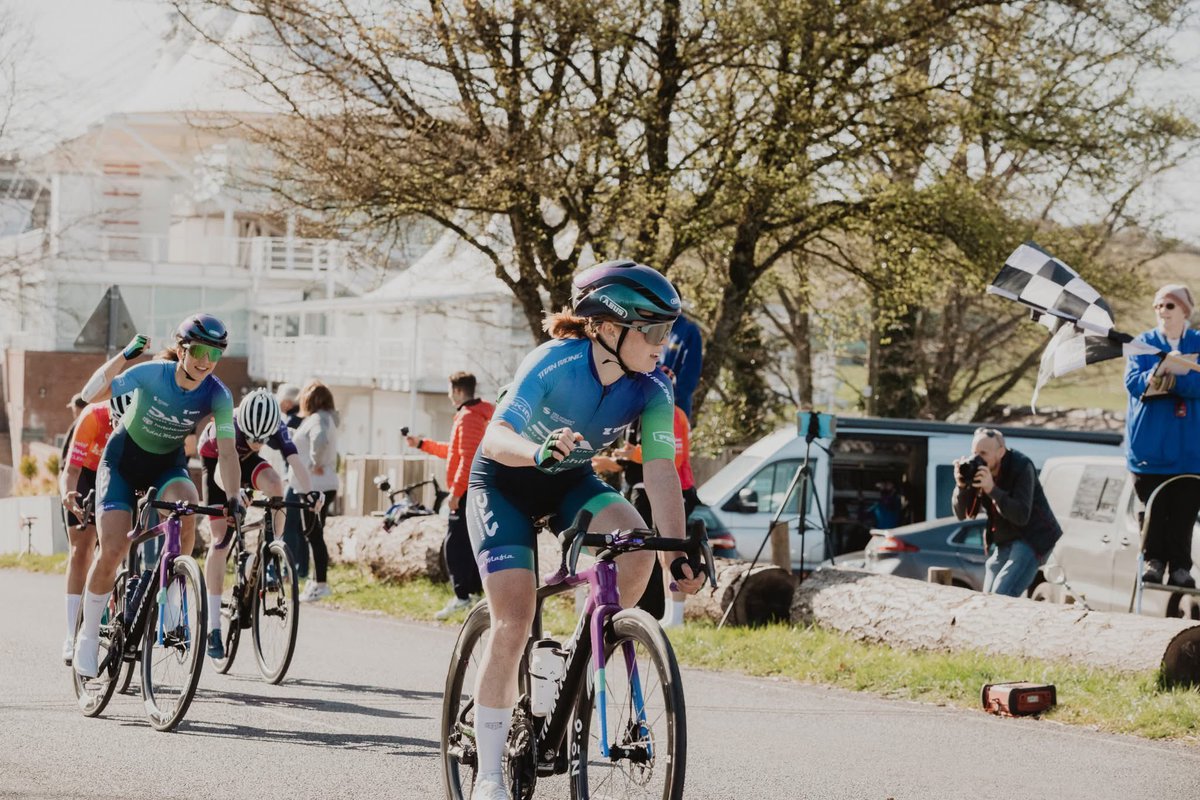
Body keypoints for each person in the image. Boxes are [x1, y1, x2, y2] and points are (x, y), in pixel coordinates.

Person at [464, 260, 704, 800]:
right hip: (503, 483)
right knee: (515, 618)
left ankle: (571, 658)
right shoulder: (553, 361)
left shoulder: (653, 390)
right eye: (654, 330)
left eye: (669, 330)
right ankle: (489, 774)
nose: (664, 343)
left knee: (636, 544)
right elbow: (496, 436)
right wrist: (537, 450)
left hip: (569, 480)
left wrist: (675, 555)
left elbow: (661, 470)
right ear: (610, 327)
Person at [72, 315, 243, 678]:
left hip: (167, 466)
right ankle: (86, 635)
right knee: (114, 549)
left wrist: (233, 497)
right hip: (121, 463)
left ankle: (174, 600)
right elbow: (90, 396)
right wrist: (124, 356)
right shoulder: (153, 373)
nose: (205, 360)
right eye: (198, 350)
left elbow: (227, 453)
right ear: (181, 348)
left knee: (187, 507)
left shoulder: (218, 393)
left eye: (215, 353)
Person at [199, 389, 323, 657]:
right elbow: (224, 466)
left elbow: (295, 461)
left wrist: (310, 491)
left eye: (262, 440)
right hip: (217, 460)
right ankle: (212, 627)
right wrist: (233, 494)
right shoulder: (227, 424)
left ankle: (271, 550)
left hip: (245, 462)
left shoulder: (276, 425)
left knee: (276, 484)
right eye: (252, 438)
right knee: (221, 540)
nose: (257, 443)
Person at [597, 364, 698, 627]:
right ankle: (664, 614)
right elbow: (634, 456)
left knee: (670, 554)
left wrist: (633, 455)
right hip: (641, 487)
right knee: (649, 553)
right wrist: (615, 462)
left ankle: (675, 617)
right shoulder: (638, 413)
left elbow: (671, 459)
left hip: (675, 490)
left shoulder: (674, 415)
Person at [1124, 283, 1200, 588]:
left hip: (1190, 450)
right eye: (1158, 306)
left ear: (1184, 310)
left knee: (1184, 512)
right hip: (1149, 448)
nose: (1162, 312)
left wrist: (1174, 382)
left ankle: (1181, 568)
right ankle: (1152, 562)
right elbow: (1133, 383)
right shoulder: (1142, 343)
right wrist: (1159, 374)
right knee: (1152, 510)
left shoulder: (1198, 341)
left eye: (1169, 306)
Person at [406, 371, 493, 619]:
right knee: (470, 543)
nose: (448, 395)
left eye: (449, 390)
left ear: (456, 390)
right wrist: (422, 444)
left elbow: (467, 460)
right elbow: (455, 451)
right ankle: (474, 593)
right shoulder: (480, 413)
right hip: (475, 489)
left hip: (466, 491)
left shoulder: (468, 418)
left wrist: (455, 492)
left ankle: (462, 596)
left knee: (454, 546)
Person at [57, 392, 133, 665]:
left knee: (116, 547)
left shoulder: (142, 424)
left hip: (121, 474)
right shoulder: (92, 417)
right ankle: (71, 634)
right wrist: (67, 494)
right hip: (87, 474)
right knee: (81, 549)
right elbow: (71, 470)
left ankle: (111, 609)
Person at [952, 428, 1062, 598]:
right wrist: (961, 487)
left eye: (983, 453)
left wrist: (992, 489)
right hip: (1005, 538)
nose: (977, 458)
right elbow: (962, 515)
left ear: (1001, 452)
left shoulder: (1021, 466)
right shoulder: (978, 469)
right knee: (987, 596)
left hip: (1033, 538)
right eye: (974, 452)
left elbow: (1021, 516)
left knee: (1001, 595)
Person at [287, 380, 339, 602]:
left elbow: (319, 440)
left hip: (315, 487)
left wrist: (315, 462)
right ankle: (317, 581)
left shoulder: (318, 419)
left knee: (313, 534)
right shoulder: (327, 418)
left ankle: (321, 584)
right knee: (313, 533)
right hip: (322, 486)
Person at [660, 306, 703, 423]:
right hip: (652, 403)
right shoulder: (659, 327)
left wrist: (674, 398)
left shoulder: (689, 331)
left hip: (676, 408)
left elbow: (691, 372)